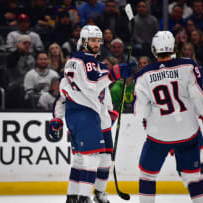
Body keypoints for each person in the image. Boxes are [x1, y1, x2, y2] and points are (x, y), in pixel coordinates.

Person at [48, 25, 135, 203]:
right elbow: (91, 85)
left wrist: (110, 112)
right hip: (84, 113)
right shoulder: (81, 60)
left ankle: (88, 195)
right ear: (83, 41)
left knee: (101, 159)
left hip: (97, 117)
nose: (96, 44)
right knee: (91, 157)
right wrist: (114, 74)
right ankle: (83, 197)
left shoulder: (93, 64)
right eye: (92, 40)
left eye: (98, 41)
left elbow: (101, 91)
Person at [134, 31, 203, 203]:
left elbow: (140, 112)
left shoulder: (143, 74)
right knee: (194, 177)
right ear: (174, 47)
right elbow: (199, 96)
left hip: (159, 134)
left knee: (147, 176)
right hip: (187, 132)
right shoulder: (188, 65)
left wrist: (147, 119)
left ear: (153, 49)